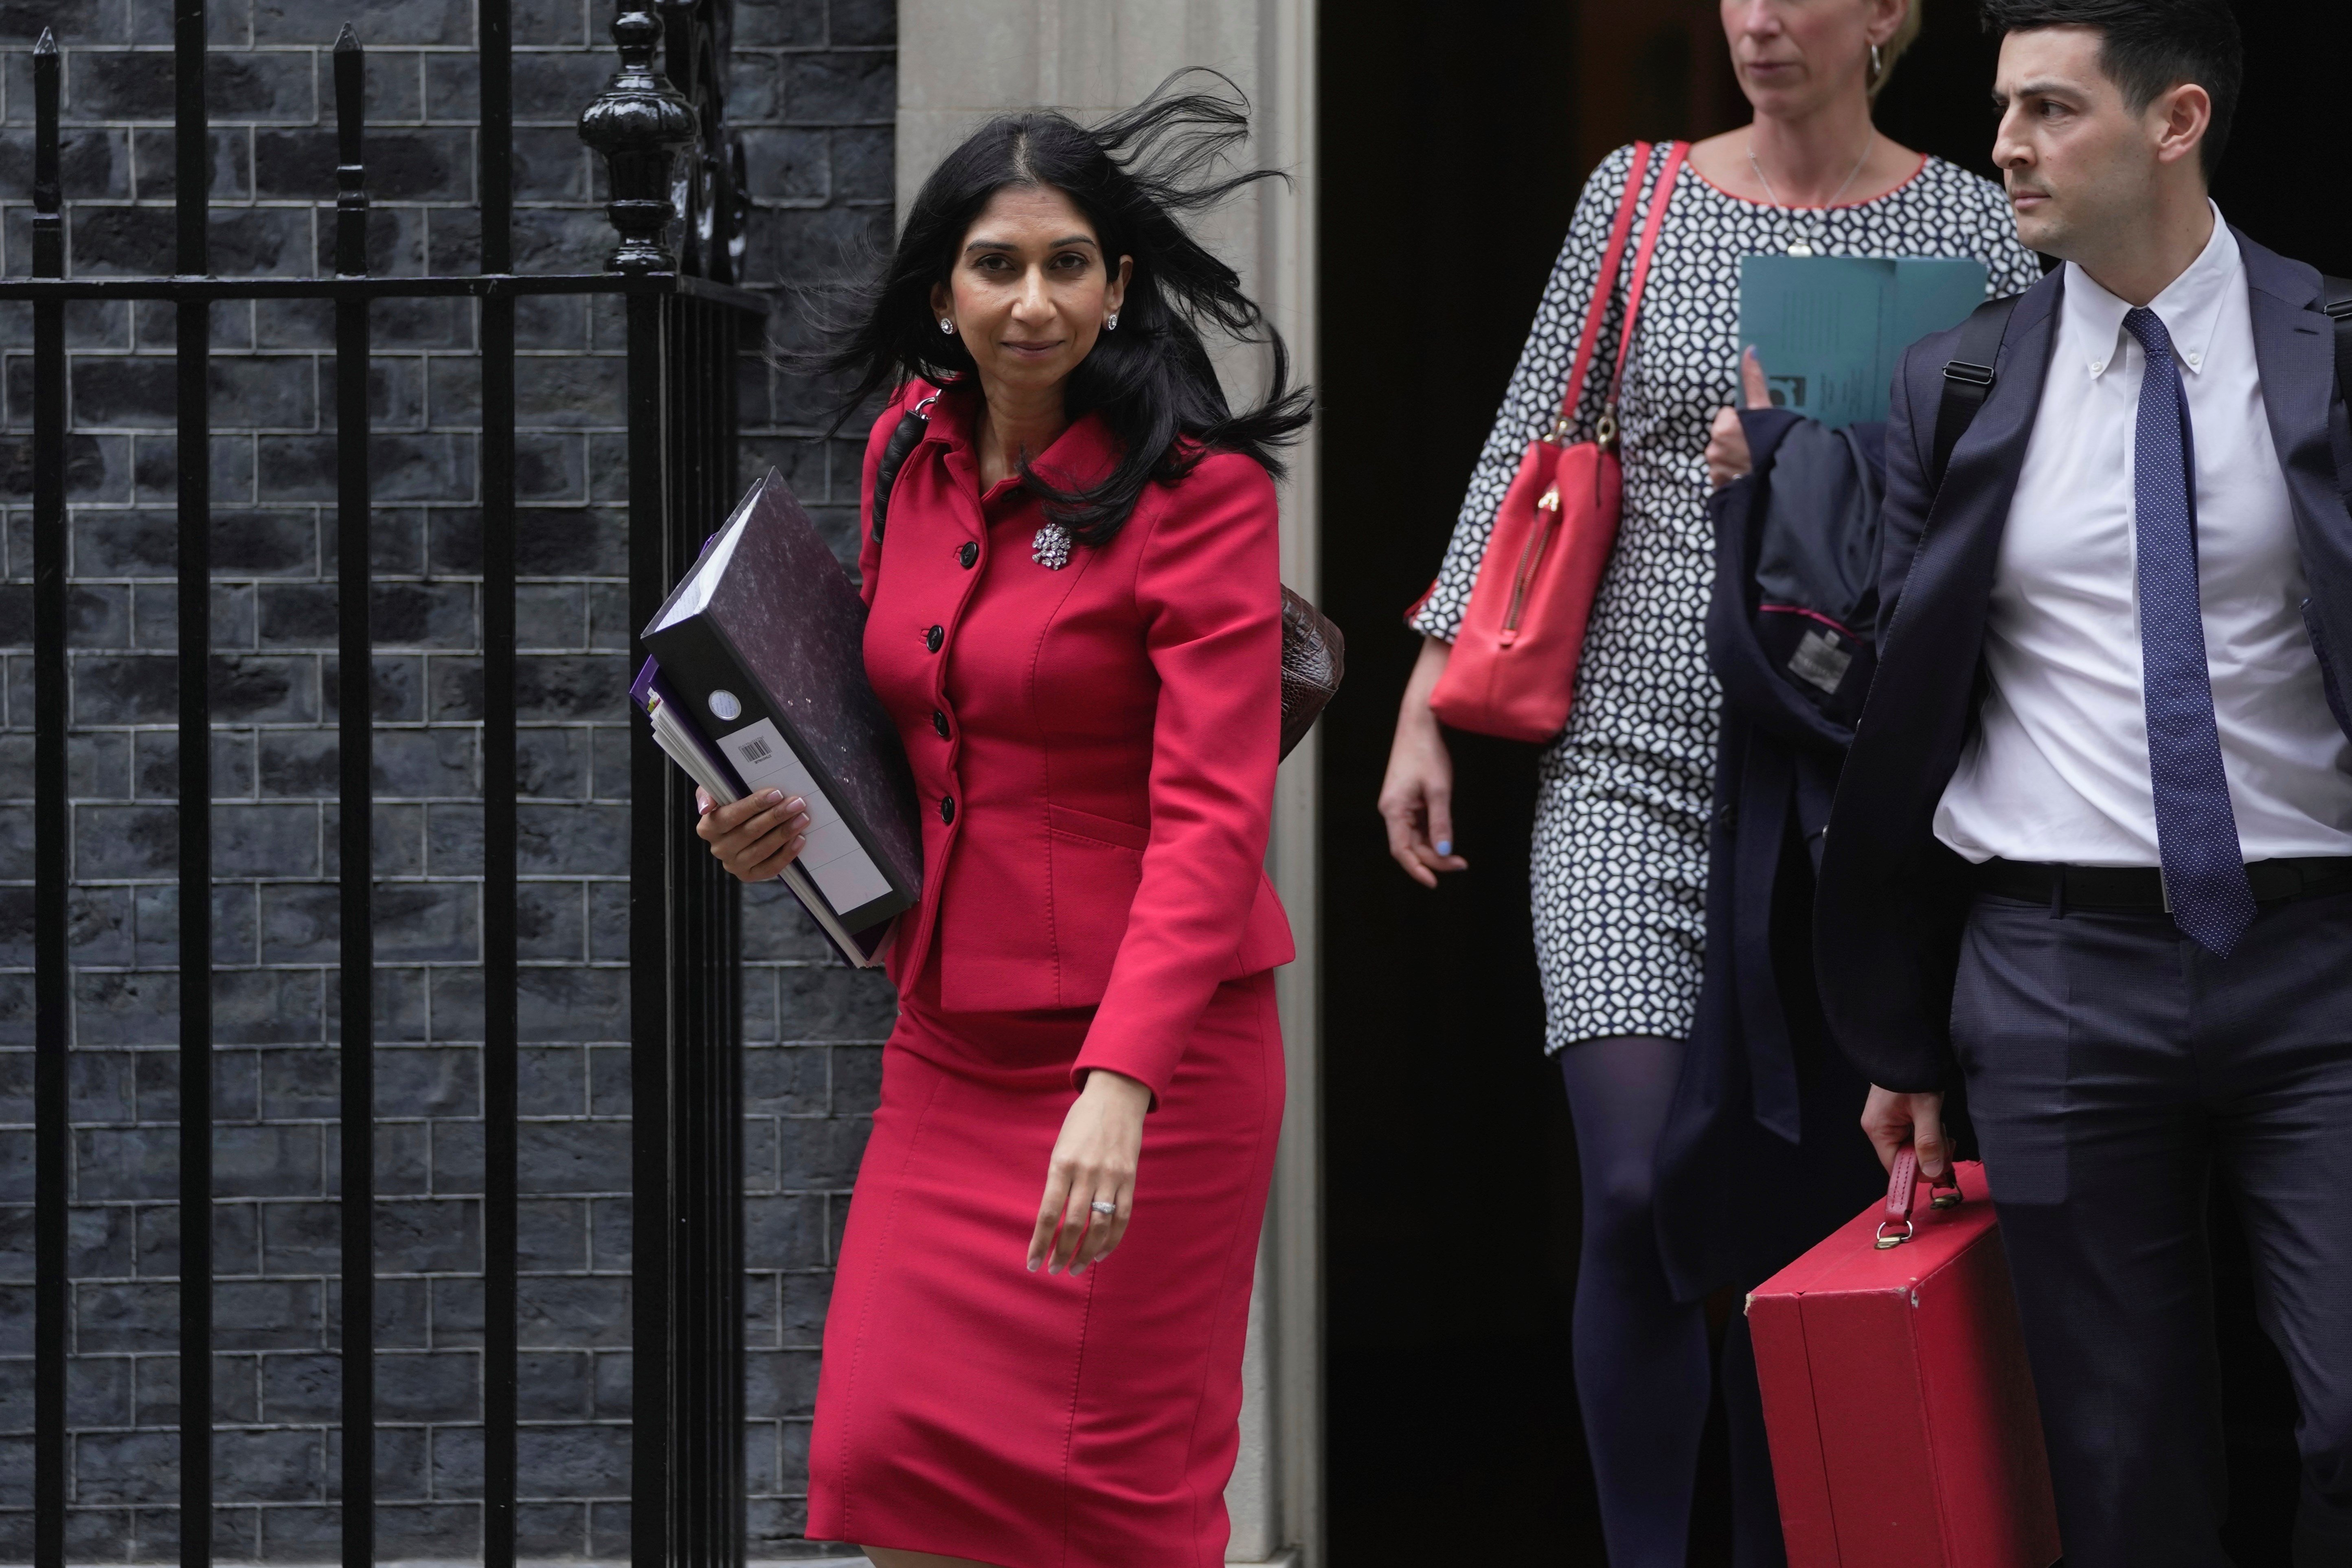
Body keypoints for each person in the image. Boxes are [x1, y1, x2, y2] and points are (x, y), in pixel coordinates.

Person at [1377, 1, 2039, 1562]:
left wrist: (1814, 458)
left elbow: (2015, 493)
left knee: (1798, 1211)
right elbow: (1527, 445)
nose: (1755, 19)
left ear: (1887, 14)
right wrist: (1427, 694)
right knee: (1633, 1185)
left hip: (1847, 786)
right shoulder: (1639, 192)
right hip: (1631, 765)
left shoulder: (1972, 222)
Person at [694, 81, 1309, 1568]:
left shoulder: (1200, 496)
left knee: (1113, 1510)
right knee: (889, 1454)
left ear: (1121, 286)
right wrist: (788, 830)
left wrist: (1122, 1081)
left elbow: (1213, 817)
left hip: (1153, 1065)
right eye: (996, 264)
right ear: (944, 288)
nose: (1032, 300)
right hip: (953, 1049)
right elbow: (904, 727)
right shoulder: (907, 454)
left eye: (1068, 264)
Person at [1816, 3, 2352, 1565]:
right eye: (2004, 109)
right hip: (2052, 972)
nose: (2005, 146)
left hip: (2318, 964)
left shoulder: (2331, 348)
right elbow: (1902, 722)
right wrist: (1900, 1028)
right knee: (2119, 1470)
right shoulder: (1960, 382)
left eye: (2051, 111)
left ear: (2174, 123)